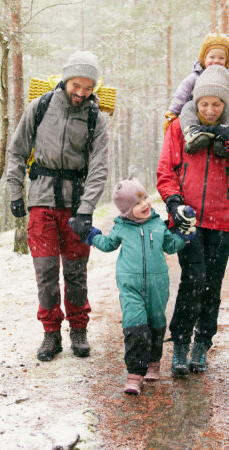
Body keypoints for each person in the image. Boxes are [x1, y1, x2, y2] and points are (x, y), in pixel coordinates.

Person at [6, 51, 109, 362]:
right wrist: (15, 191)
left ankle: (78, 329)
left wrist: (87, 208)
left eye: (87, 88)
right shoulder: (41, 107)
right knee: (45, 271)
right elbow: (17, 150)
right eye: (76, 85)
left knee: (76, 272)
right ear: (66, 79)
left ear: (94, 88)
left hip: (76, 205)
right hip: (41, 200)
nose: (80, 93)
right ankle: (51, 333)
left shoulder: (96, 117)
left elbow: (99, 167)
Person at [75, 178, 195, 395]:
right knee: (135, 326)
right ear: (127, 211)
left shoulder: (158, 224)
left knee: (157, 324)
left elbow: (170, 246)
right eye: (138, 203)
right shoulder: (121, 227)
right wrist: (90, 235)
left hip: (158, 285)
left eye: (146, 198)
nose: (145, 204)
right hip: (130, 286)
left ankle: (153, 362)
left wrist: (184, 236)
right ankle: (134, 374)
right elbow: (108, 244)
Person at [157, 64, 229, 376]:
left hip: (223, 222)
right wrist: (173, 202)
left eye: (217, 104)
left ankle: (203, 342)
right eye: (204, 104)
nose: (210, 110)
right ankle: (181, 343)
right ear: (195, 103)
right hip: (189, 220)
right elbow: (165, 171)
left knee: (213, 285)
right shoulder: (178, 129)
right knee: (193, 280)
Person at [164, 29, 229, 135]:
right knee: (188, 107)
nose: (216, 60)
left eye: (221, 58)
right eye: (212, 57)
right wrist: (173, 112)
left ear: (226, 61)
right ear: (204, 58)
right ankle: (192, 133)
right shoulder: (195, 77)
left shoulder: (227, 77)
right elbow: (181, 95)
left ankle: (224, 136)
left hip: (221, 113)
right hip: (198, 111)